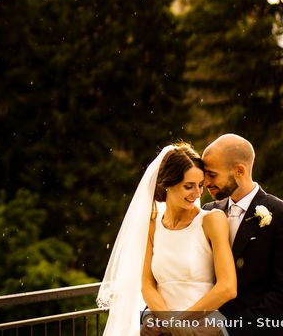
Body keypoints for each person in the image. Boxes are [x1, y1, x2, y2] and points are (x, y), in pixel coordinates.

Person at [99, 143, 236, 336]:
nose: (196, 194)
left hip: (202, 327)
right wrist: (169, 322)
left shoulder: (211, 220)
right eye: (188, 186)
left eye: (200, 186)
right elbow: (147, 285)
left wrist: (179, 322)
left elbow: (227, 287)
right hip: (161, 327)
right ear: (168, 184)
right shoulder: (152, 225)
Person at [201, 134, 283, 336]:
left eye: (212, 175)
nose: (205, 182)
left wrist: (228, 328)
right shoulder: (207, 212)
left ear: (239, 170)